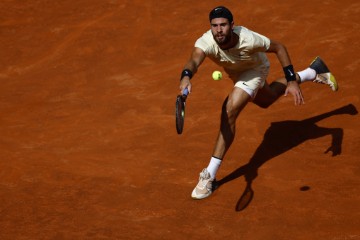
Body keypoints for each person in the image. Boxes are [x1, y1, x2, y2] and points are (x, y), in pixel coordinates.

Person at [178, 6, 338, 200]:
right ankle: (313, 71)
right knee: (266, 99)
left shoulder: (249, 39)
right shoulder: (207, 41)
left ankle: (209, 175)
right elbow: (193, 61)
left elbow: (279, 48)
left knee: (229, 110)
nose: (219, 30)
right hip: (236, 72)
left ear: (232, 25)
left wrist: (291, 81)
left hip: (255, 69)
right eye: (214, 26)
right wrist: (186, 77)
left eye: (223, 25)